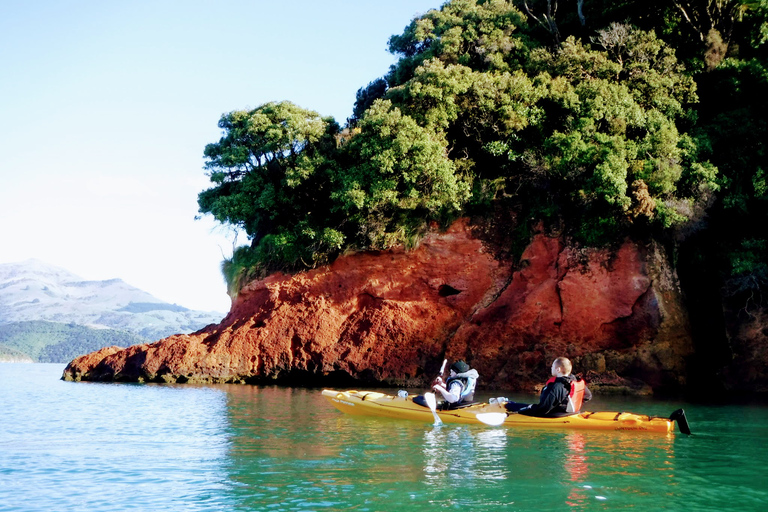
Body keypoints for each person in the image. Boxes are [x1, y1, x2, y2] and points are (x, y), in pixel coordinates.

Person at [504, 357, 591, 417]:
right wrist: (565, 405)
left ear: (558, 369)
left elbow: (542, 410)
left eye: (552, 366)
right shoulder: (574, 381)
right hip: (570, 413)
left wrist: (519, 412)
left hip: (556, 416)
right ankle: (508, 403)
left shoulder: (555, 387)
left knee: (513, 406)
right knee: (516, 405)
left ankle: (507, 404)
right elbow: (588, 396)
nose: (551, 368)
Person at [413, 360, 479, 409]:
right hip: (466, 404)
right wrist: (442, 384)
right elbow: (458, 391)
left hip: (455, 408)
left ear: (458, 373)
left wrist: (440, 389)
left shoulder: (456, 383)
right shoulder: (468, 378)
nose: (450, 374)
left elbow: (453, 399)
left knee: (418, 400)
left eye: (452, 372)